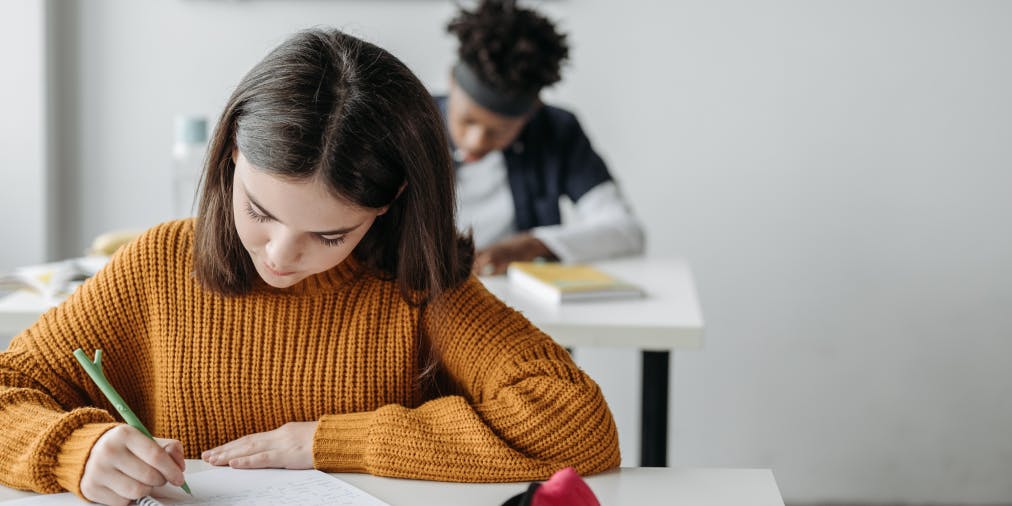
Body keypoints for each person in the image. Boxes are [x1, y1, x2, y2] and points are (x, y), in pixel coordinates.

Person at [0, 29, 620, 505]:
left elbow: (577, 425)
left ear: (389, 203)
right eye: (259, 211)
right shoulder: (161, 264)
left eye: (329, 234)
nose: (280, 253)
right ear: (231, 157)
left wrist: (331, 441)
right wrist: (77, 451)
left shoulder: (418, 285)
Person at [440, 0, 645, 276]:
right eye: (467, 120)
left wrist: (533, 245)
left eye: (499, 131)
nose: (476, 141)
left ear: (532, 112)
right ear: (451, 82)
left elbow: (625, 231)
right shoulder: (406, 123)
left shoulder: (557, 130)